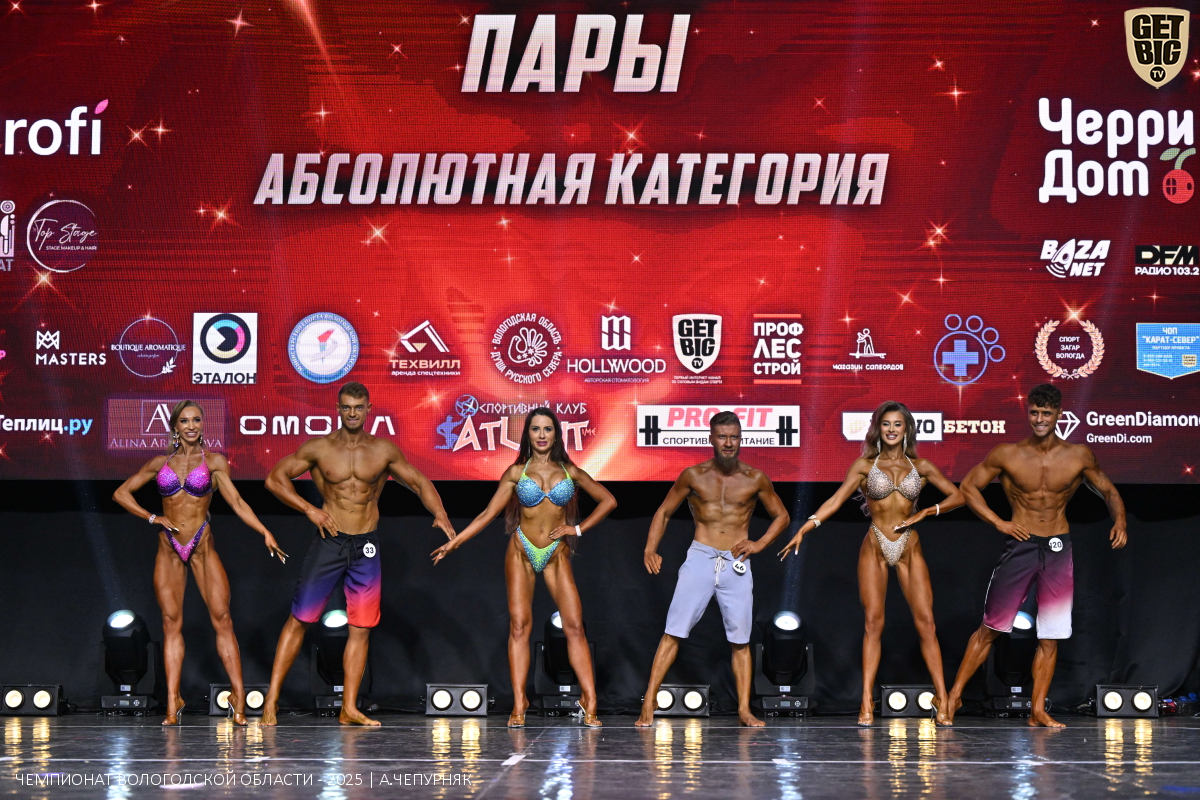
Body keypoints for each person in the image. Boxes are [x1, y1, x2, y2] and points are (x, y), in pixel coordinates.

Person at [260, 382, 454, 726]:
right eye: (347, 407)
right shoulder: (319, 448)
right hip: (330, 542)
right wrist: (310, 510)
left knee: (361, 627)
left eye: (358, 407)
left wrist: (439, 512)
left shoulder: (383, 450)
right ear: (338, 408)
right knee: (300, 619)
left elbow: (419, 481)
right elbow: (275, 479)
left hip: (366, 545)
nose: (352, 413)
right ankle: (271, 701)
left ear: (368, 410)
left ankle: (348, 708)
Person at [944, 383, 1127, 727]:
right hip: (1021, 544)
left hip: (1058, 546)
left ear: (1059, 415)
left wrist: (1120, 520)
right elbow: (968, 486)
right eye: (1034, 412)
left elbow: (1109, 490)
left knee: (1050, 635)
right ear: (1027, 412)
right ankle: (952, 698)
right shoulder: (1007, 454)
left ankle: (1037, 710)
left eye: (1046, 413)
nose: (1040, 419)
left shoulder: (1078, 456)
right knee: (991, 627)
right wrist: (998, 522)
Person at [780, 401, 964, 725]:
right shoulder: (864, 466)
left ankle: (943, 698)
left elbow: (959, 496)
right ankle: (866, 701)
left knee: (926, 624)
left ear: (906, 429)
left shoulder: (921, 466)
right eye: (886, 424)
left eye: (897, 424)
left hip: (909, 546)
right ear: (878, 428)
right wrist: (805, 528)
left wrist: (927, 511)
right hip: (876, 545)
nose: (891, 430)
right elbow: (835, 500)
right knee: (873, 624)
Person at [431, 408, 616, 728]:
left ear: (556, 435)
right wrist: (455, 542)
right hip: (522, 551)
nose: (541, 435)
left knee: (574, 627)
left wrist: (577, 529)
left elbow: (609, 501)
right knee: (519, 626)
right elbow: (487, 514)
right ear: (527, 434)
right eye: (535, 429)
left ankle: (590, 700)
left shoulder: (570, 471)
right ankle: (519, 702)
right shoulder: (516, 473)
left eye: (547, 429)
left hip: (556, 554)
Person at [113, 400, 287, 726]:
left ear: (202, 425)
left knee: (223, 620)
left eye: (196, 420)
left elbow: (237, 501)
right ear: (175, 427)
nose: (191, 426)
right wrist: (152, 517)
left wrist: (264, 531)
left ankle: (239, 699)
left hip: (201, 547)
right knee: (170, 624)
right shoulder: (160, 463)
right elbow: (121, 493)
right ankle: (172, 702)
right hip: (169, 547)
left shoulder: (215, 462)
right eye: (184, 421)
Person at [635, 411, 790, 728]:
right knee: (673, 631)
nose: (728, 443)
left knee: (740, 640)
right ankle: (649, 701)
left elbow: (782, 516)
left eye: (734, 437)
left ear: (741, 439)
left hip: (736, 562)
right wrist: (650, 548)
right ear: (711, 439)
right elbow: (664, 512)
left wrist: (759, 544)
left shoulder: (755, 478)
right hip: (700, 557)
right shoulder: (694, 475)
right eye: (722, 437)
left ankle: (744, 710)